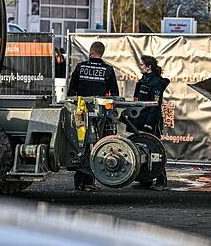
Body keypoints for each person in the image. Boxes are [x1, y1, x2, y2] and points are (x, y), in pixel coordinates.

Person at [67, 41, 119, 191]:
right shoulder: (108, 69)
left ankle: (78, 181)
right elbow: (114, 94)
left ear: (91, 51)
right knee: (96, 146)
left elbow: (71, 91)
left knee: (80, 145)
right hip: (99, 117)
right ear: (102, 53)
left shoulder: (80, 67)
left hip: (80, 114)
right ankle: (89, 181)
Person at [131, 54, 170, 189]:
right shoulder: (143, 80)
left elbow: (155, 104)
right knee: (142, 149)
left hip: (152, 121)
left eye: (142, 65)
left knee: (155, 150)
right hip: (140, 120)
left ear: (149, 67)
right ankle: (145, 179)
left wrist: (149, 124)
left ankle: (161, 181)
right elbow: (137, 102)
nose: (140, 67)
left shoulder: (156, 82)